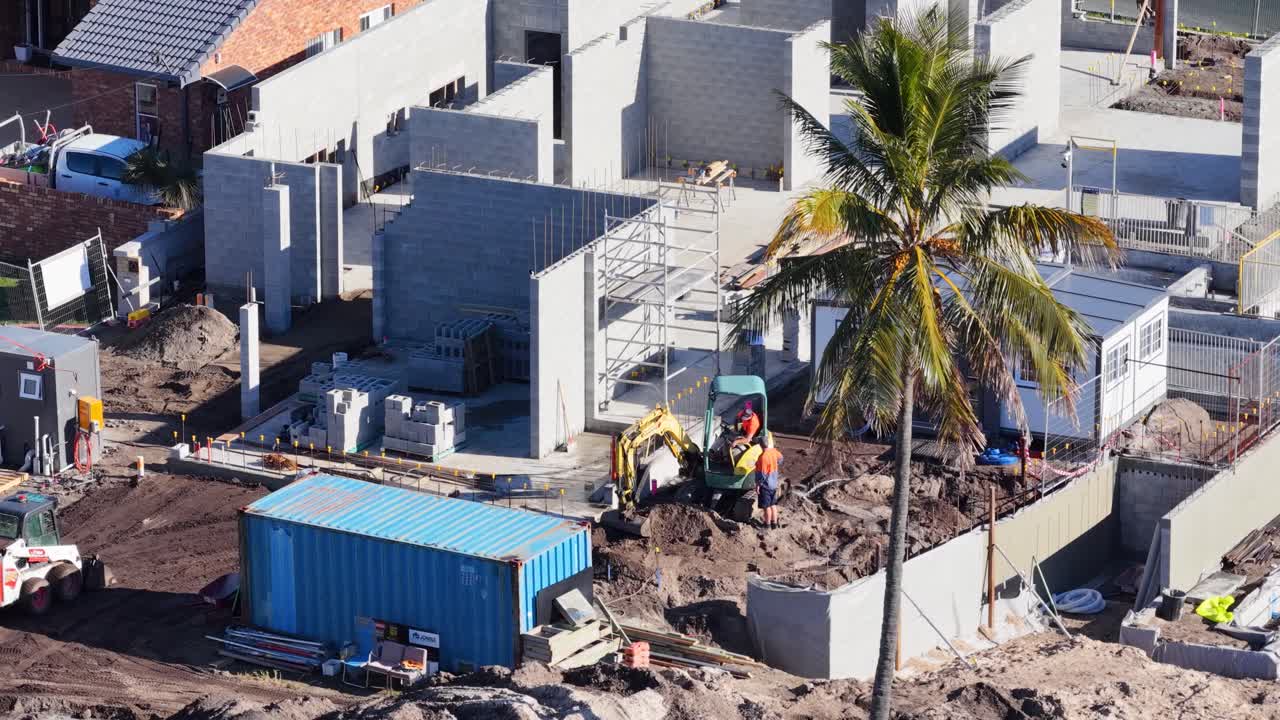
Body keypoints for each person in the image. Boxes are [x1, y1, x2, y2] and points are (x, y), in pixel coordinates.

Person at [755, 434, 783, 529]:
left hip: (766, 485)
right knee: (773, 504)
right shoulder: (774, 451)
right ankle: (774, 524)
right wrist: (775, 463)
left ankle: (766, 525)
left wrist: (758, 485)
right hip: (774, 483)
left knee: (766, 506)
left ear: (760, 445)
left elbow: (762, 475)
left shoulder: (763, 457)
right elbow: (781, 459)